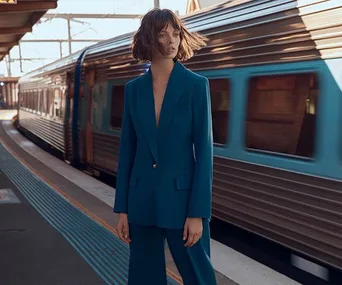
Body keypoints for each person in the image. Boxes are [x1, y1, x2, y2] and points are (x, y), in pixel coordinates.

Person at [113, 8, 217, 285]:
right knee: (144, 277)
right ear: (149, 39)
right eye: (163, 34)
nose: (171, 40)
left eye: (175, 33)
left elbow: (204, 154)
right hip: (141, 200)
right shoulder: (134, 89)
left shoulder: (196, 86)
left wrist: (198, 213)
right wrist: (122, 208)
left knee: (199, 277)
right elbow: (127, 151)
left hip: (183, 202)